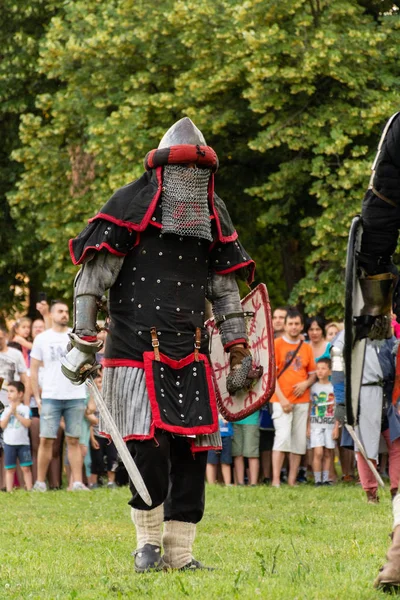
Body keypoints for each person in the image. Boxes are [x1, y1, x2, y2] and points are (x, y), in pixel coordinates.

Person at [62, 117, 260, 571]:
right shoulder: (129, 207)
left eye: (201, 173)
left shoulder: (212, 215)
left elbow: (226, 293)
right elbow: (91, 281)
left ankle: (181, 553)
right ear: (165, 170)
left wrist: (237, 348)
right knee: (147, 450)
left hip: (189, 351)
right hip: (134, 350)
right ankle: (147, 546)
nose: (193, 182)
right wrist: (85, 339)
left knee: (192, 455)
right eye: (186, 172)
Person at [30, 300, 89, 492]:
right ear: (52, 314)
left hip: (75, 394)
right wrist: (37, 398)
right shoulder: (42, 338)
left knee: (74, 439)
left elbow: (86, 365)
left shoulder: (76, 336)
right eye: (60, 311)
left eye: (66, 311)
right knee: (46, 439)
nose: (64, 314)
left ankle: (78, 483)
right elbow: (34, 369)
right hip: (50, 395)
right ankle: (39, 483)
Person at [270, 308, 317, 487]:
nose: (294, 327)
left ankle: (291, 480)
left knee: (298, 442)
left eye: (297, 324)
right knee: (282, 439)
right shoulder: (277, 344)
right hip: (280, 400)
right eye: (291, 323)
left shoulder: (306, 348)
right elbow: (271, 376)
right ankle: (275, 480)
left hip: (302, 399)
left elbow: (312, 373)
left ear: (301, 326)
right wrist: (282, 399)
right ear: (286, 325)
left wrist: (305, 384)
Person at [307, 358, 336, 486]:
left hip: (329, 424)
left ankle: (326, 479)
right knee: (318, 452)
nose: (320, 371)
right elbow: (309, 407)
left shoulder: (333, 387)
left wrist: (336, 426)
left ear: (330, 371)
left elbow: (336, 407)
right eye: (318, 368)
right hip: (315, 425)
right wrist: (308, 425)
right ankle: (317, 479)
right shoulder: (313, 388)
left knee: (328, 453)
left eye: (323, 368)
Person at [0, 381, 33, 492]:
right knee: (9, 468)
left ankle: (29, 489)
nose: (9, 394)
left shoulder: (25, 409)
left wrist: (16, 414)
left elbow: (28, 423)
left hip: (23, 443)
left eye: (12, 391)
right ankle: (9, 490)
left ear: (20, 394)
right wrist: (10, 413)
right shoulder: (5, 410)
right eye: (8, 391)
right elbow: (2, 425)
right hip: (9, 443)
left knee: (25, 467)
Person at [232, 411, 260, 486]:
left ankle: (253, 483)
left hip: (251, 420)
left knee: (252, 454)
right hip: (235, 419)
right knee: (237, 453)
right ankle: (240, 483)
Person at [206, 413, 233, 485]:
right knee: (211, 461)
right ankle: (211, 485)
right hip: (212, 433)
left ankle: (228, 484)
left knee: (226, 461)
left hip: (227, 433)